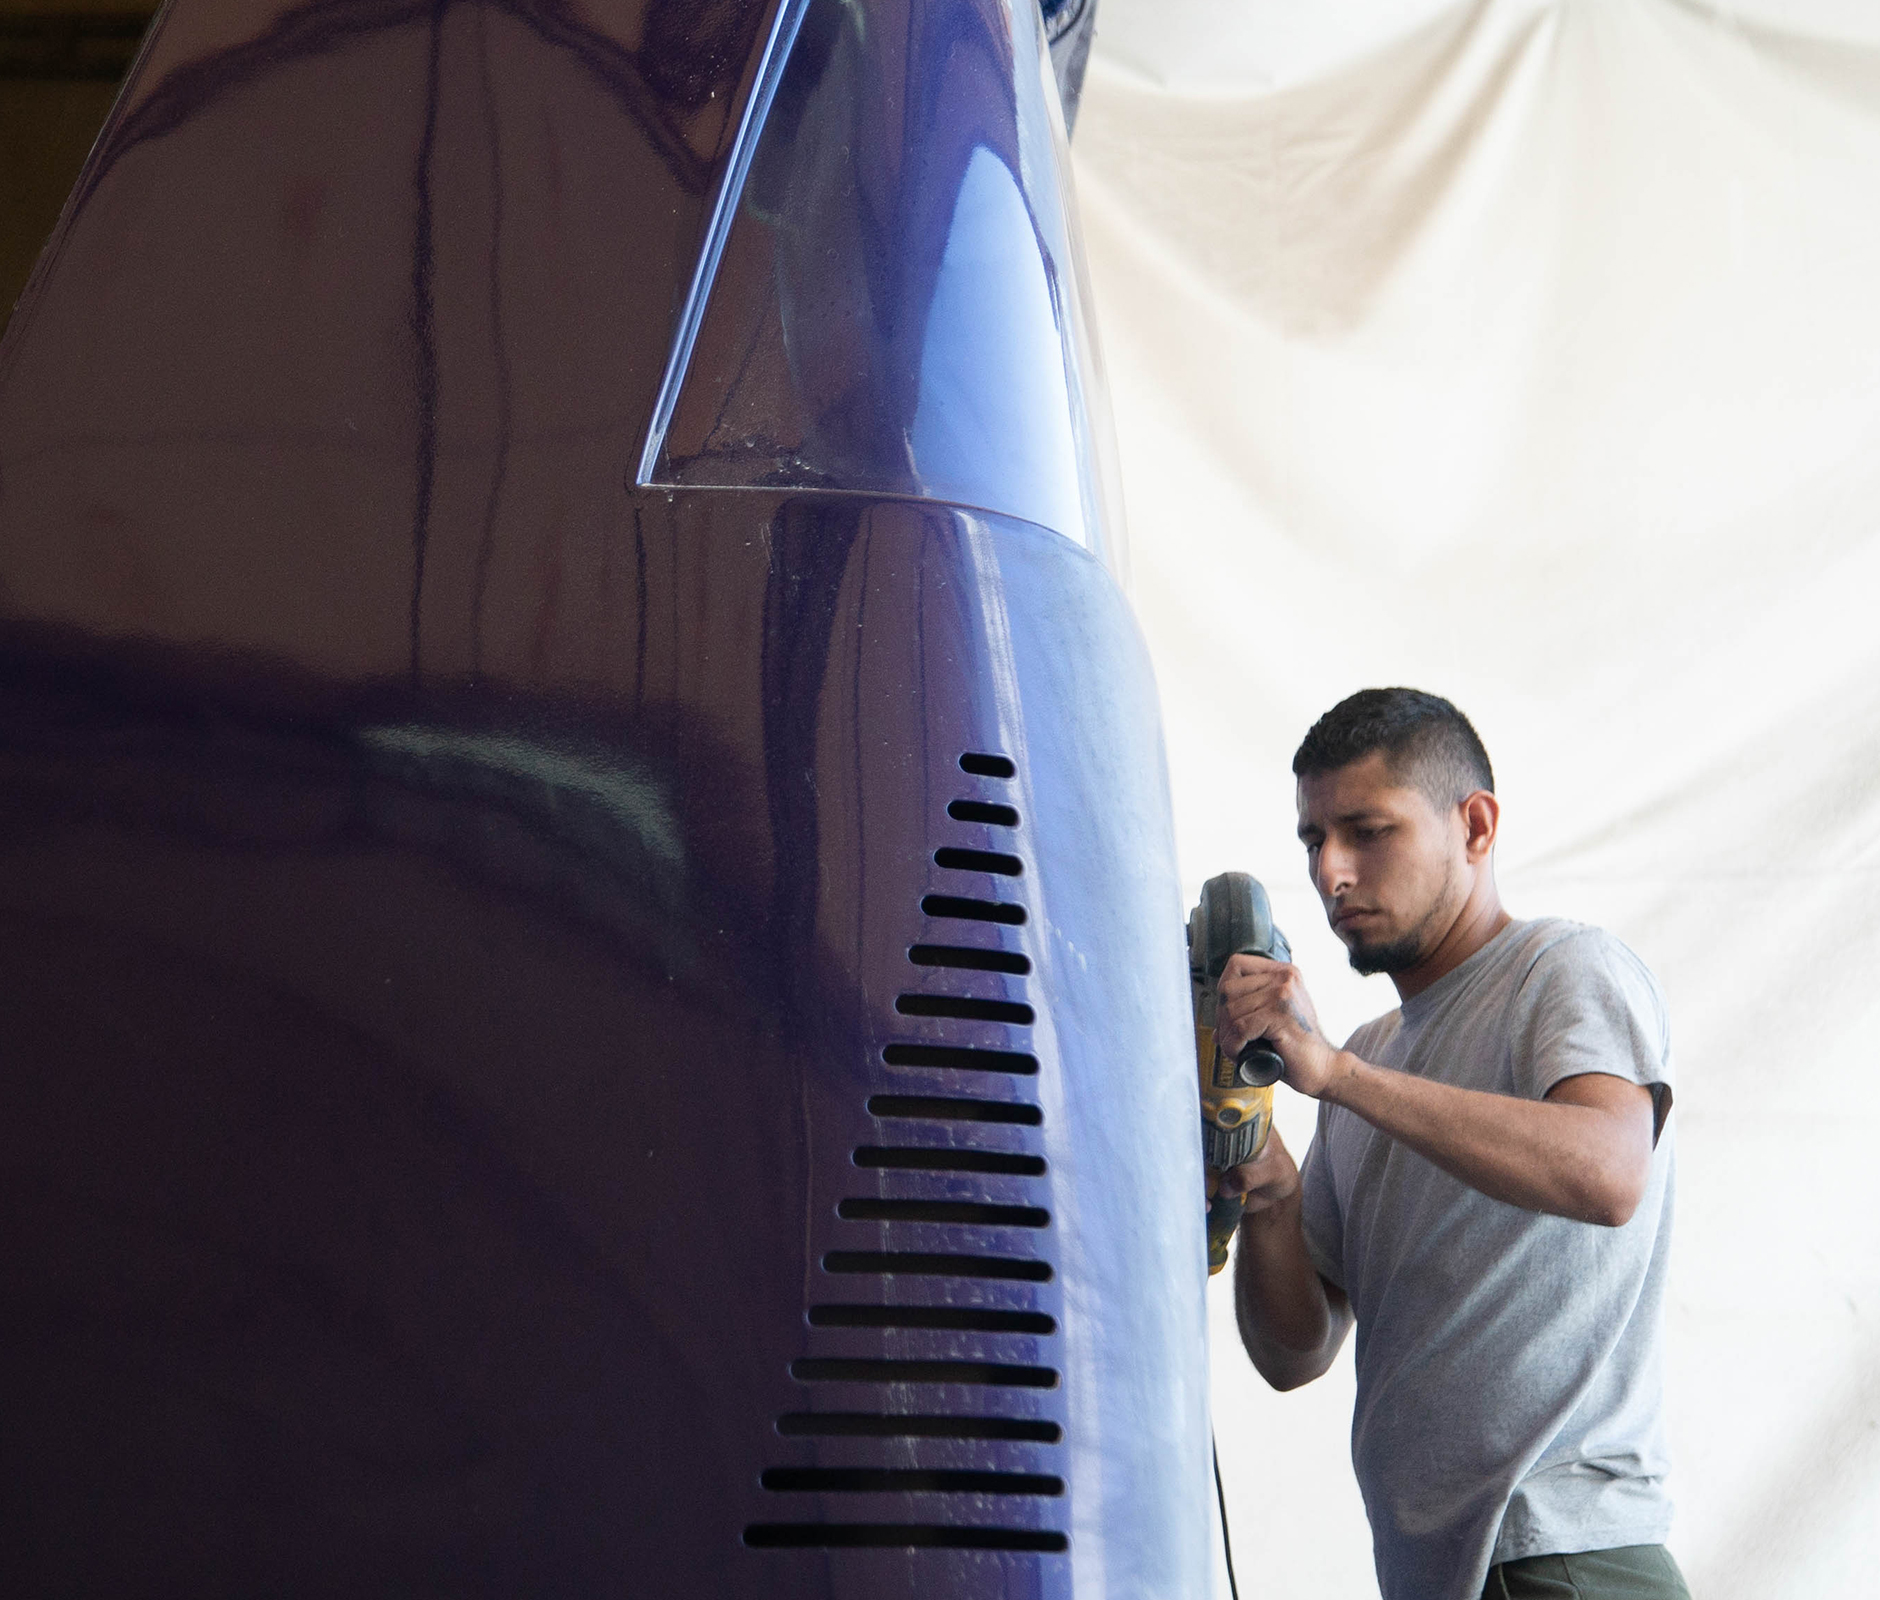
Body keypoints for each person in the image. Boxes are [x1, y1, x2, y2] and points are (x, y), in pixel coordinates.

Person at [1214, 688, 1689, 1600]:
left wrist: (1342, 1082)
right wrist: (1270, 1193)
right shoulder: (1367, 1061)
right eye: (1315, 840)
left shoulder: (1563, 970)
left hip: (1563, 1558)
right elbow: (1296, 1354)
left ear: (1475, 826)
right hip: (1438, 1575)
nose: (1331, 874)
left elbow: (1609, 1171)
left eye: (1368, 831)